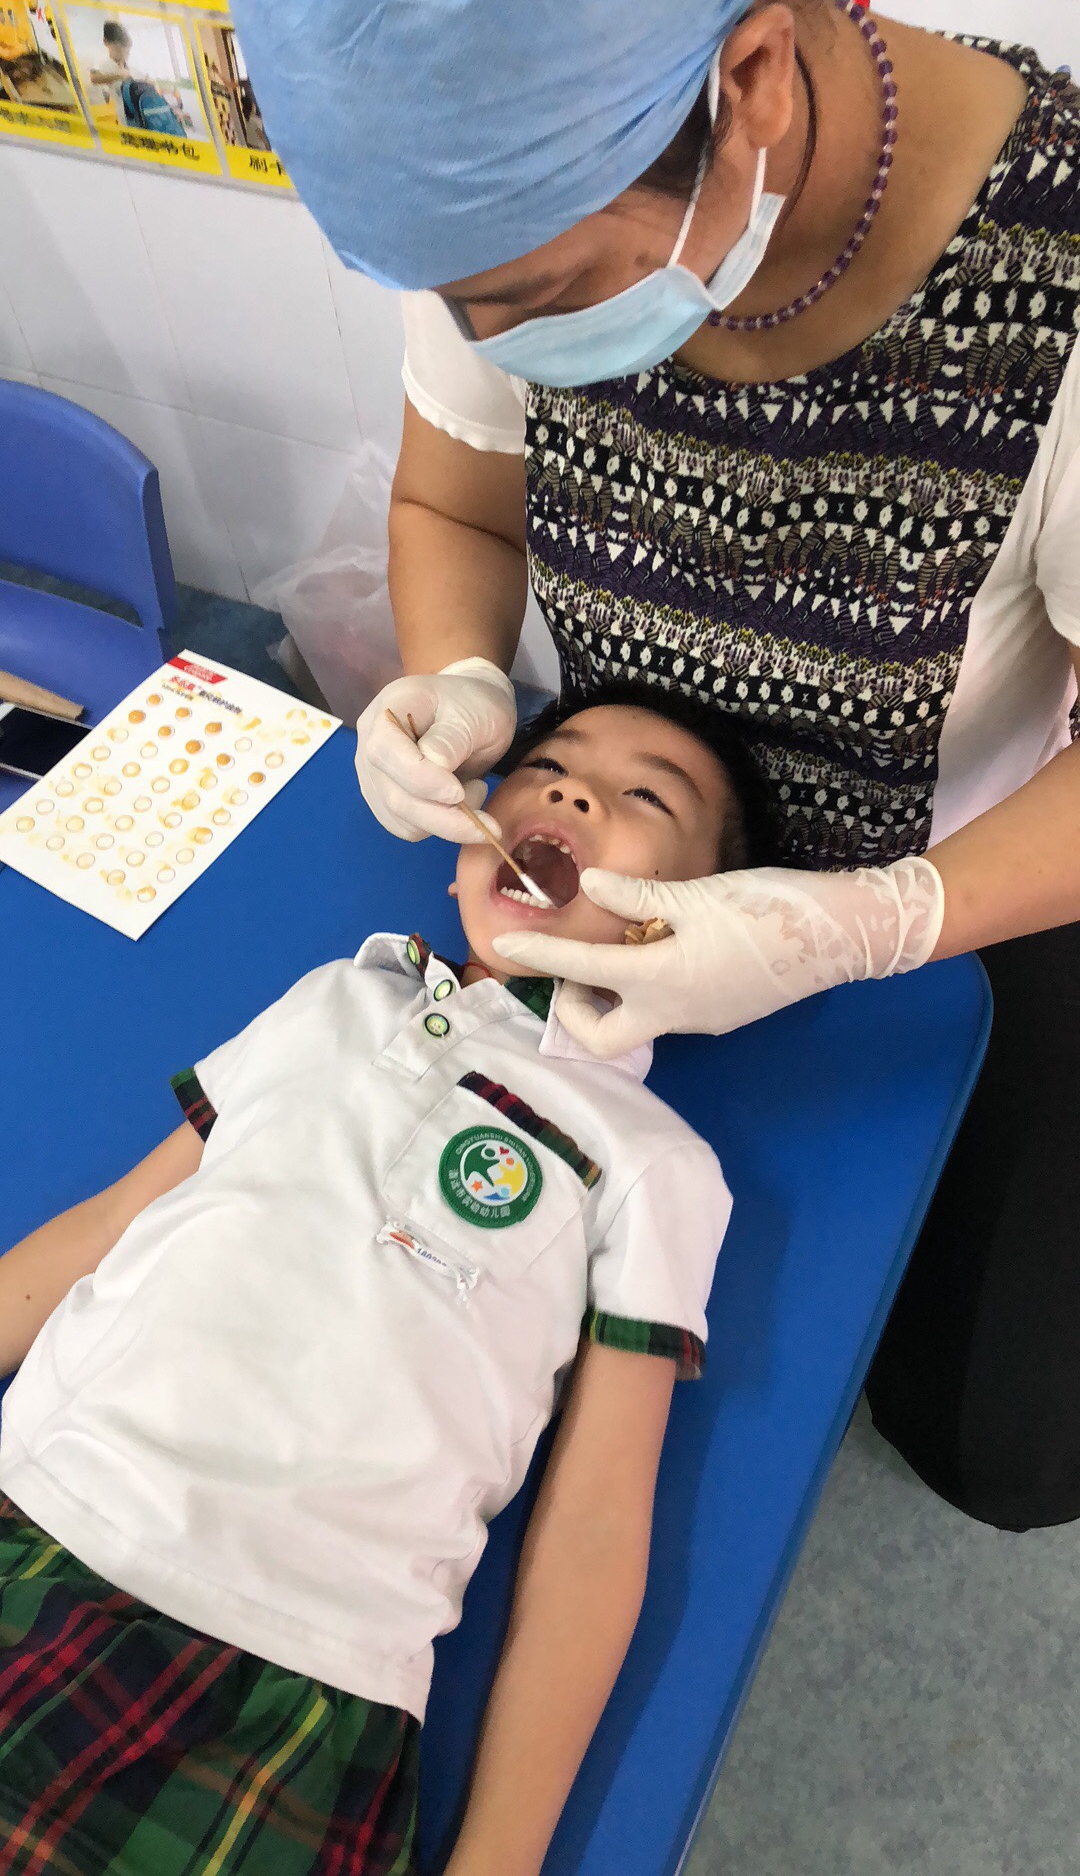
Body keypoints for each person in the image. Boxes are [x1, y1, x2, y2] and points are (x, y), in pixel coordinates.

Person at [217, 0, 1080, 1535]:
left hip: (965, 917)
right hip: (625, 911)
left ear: (750, 83)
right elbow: (457, 500)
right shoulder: (508, 204)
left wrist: (872, 922)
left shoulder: (1059, 286)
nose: (491, 337)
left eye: (538, 297)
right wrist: (459, 676)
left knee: (988, 1435)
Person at [0, 688, 769, 1876]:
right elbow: (112, 1221)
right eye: (547, 766)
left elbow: (596, 1523)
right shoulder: (334, 997)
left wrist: (499, 1855)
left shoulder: (651, 1162)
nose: (571, 790)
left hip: (289, 1675)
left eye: (643, 798)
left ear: (685, 932)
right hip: (38, 1516)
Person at [87, 18, 132, 116]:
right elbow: (94, 78)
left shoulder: (130, 65)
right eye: (117, 47)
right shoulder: (103, 62)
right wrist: (119, 75)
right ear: (106, 42)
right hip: (123, 116)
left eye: (125, 48)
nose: (122, 51)